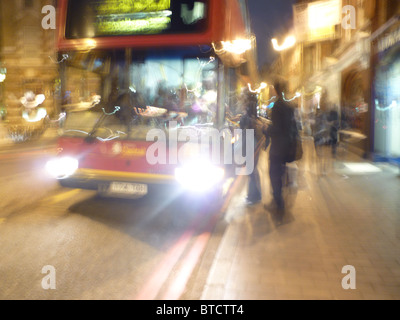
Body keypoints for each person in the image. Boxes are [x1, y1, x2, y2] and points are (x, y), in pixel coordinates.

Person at [263, 80, 298, 223]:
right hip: (287, 147)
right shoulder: (289, 106)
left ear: (276, 89)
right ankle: (277, 199)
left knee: (274, 174)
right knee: (281, 174)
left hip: (278, 148)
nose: (271, 90)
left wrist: (265, 128)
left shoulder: (277, 106)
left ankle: (279, 204)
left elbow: (276, 129)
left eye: (272, 88)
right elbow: (291, 126)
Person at [240, 91, 262, 205]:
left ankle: (254, 196)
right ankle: (255, 195)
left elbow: (243, 126)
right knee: (252, 170)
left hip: (251, 145)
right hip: (253, 144)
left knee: (251, 170)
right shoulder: (252, 116)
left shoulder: (248, 117)